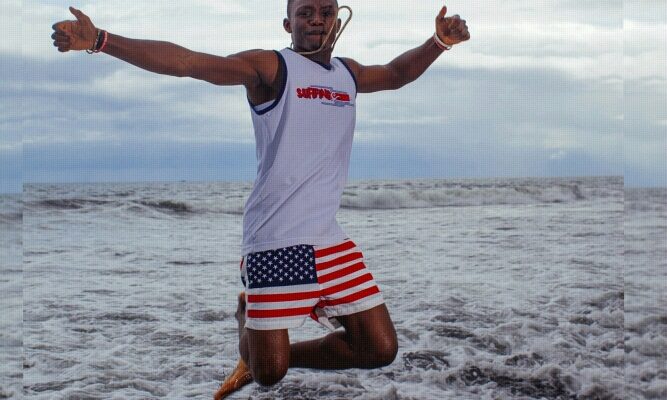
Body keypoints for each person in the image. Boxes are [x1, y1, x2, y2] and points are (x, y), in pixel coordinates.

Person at [52, 1, 470, 398]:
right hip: (275, 239)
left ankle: (269, 355)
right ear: (288, 24)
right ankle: (248, 324)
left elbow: (396, 73)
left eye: (326, 12)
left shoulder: (348, 73)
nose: (317, 19)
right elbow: (188, 62)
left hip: (329, 239)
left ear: (339, 21)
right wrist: (101, 40)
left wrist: (438, 43)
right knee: (270, 373)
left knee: (379, 348)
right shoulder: (271, 68)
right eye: (305, 13)